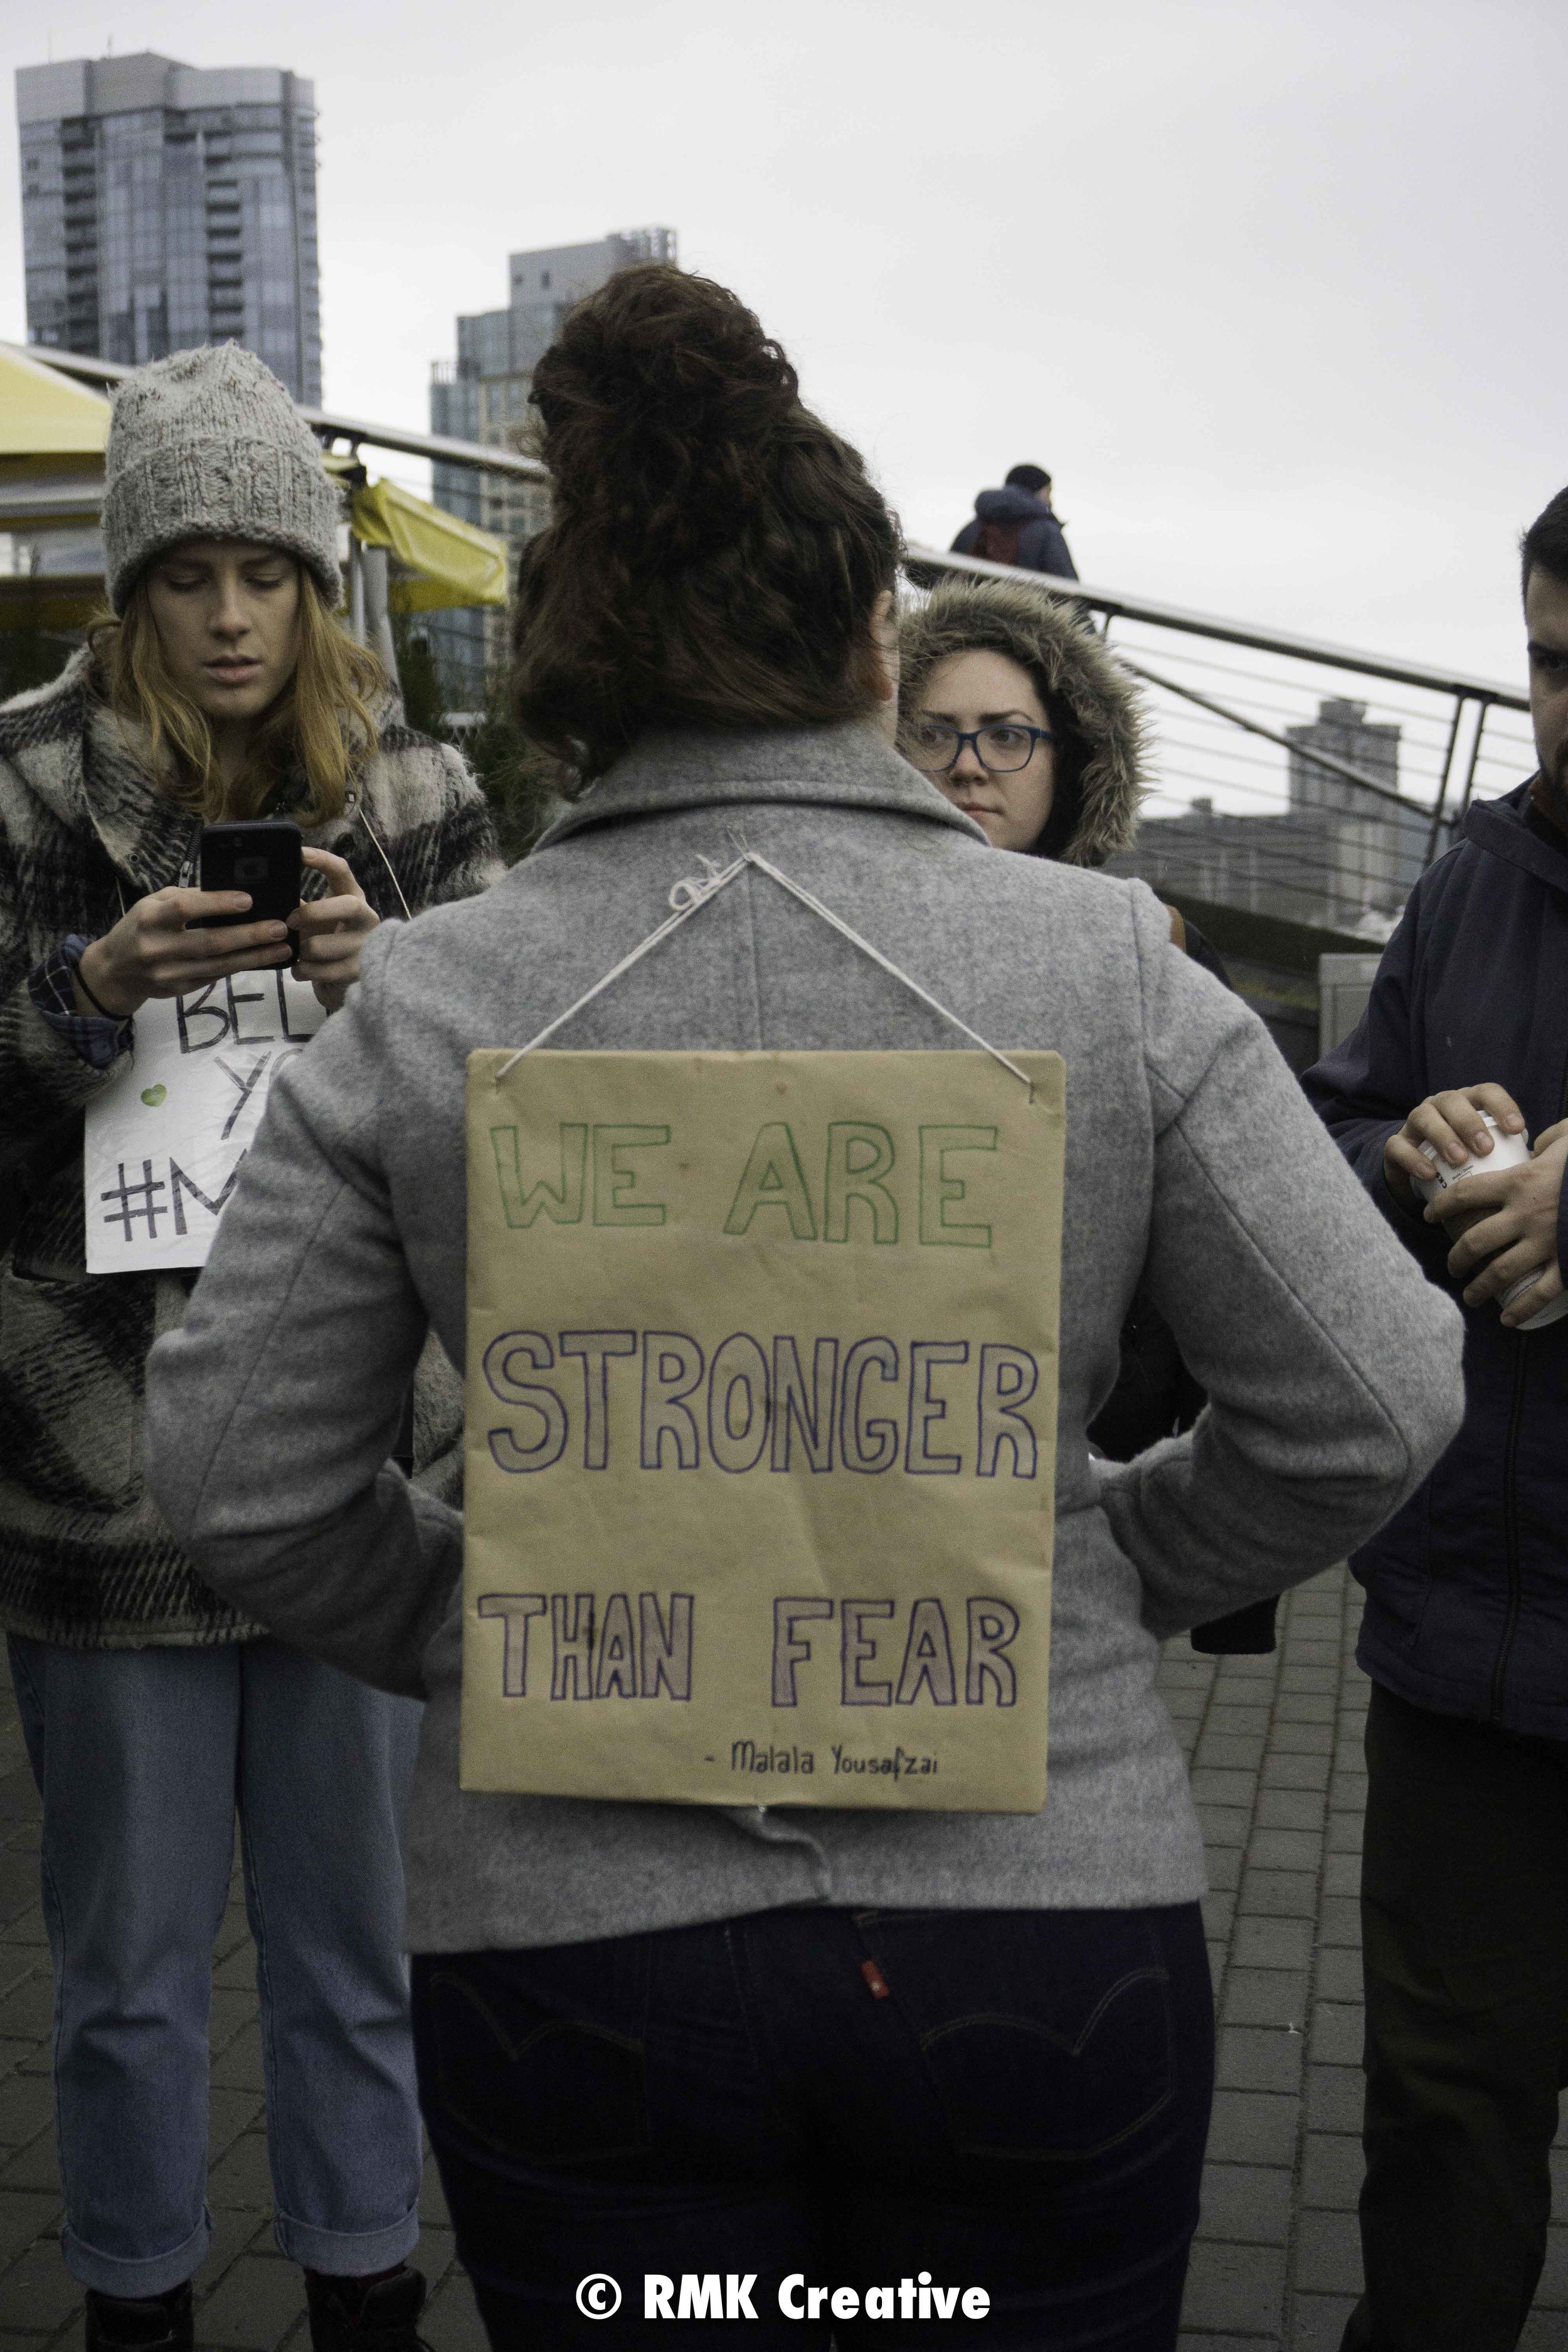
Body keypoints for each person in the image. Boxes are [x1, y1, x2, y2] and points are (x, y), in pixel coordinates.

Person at [145, 265, 1462, 2352]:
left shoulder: (432, 994)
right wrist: (1100, 1563)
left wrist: (507, 1628)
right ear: (878, 640)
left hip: (578, 1957)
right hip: (1045, 1929)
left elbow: (229, 1465)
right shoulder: (1113, 966)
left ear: (572, 669)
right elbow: (1379, 1396)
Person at [0, 344, 499, 2352]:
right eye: (188, 572)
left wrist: (410, 990)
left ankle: (366, 2282)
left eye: (264, 572)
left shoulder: (419, 797)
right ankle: (134, 2299)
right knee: (121, 1965)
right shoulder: (26, 783)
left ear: (315, 586)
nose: (227, 615)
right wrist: (76, 985)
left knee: (350, 1943)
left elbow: (515, 1122)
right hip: (90, 1433)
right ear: (130, 589)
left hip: (353, 1446)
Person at [1303, 483, 1568, 2352]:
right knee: (1438, 2138)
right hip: (1463, 1655)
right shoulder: (1471, 873)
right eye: (1549, 666)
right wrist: (1391, 1152)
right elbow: (1327, 1124)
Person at [896, 573, 1277, 1656]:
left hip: (1087, 1454)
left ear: (1070, 765)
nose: (969, 762)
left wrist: (1218, 1588)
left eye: (1009, 736)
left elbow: (1242, 1255)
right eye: (935, 732)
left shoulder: (1150, 954)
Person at [950, 463, 1078, 580]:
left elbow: (944, 579)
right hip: (1024, 605)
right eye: (1048, 492)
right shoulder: (1047, 532)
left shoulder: (971, 529)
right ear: (1036, 490)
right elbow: (1069, 588)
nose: (1051, 501)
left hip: (971, 605)